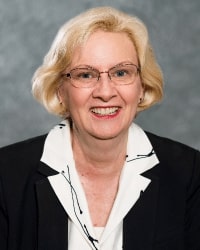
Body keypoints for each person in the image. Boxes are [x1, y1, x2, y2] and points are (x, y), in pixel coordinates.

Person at [0, 6, 199, 250]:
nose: (105, 92)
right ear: (60, 90)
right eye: (85, 75)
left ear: (143, 86)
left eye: (121, 72)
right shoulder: (5, 175)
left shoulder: (191, 175)